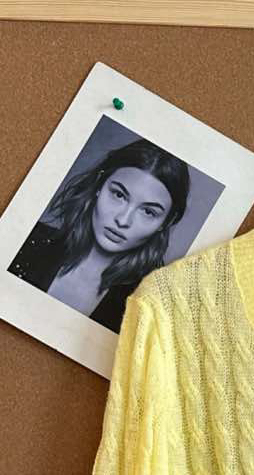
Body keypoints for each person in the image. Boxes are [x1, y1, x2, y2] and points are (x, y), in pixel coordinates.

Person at [8, 136, 191, 334]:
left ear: (166, 222)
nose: (123, 220)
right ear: (99, 184)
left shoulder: (150, 307)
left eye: (148, 211)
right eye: (119, 195)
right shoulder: (25, 240)